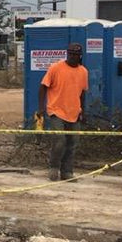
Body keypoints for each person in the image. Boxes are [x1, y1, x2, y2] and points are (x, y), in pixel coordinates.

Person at [37, 42, 88, 181]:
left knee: (73, 143)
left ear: (80, 56)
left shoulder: (83, 71)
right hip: (56, 110)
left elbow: (82, 93)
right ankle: (53, 167)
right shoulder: (56, 68)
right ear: (67, 53)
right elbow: (43, 87)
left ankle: (67, 172)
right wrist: (41, 107)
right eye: (70, 54)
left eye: (76, 55)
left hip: (74, 112)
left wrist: (82, 111)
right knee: (59, 141)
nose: (73, 57)